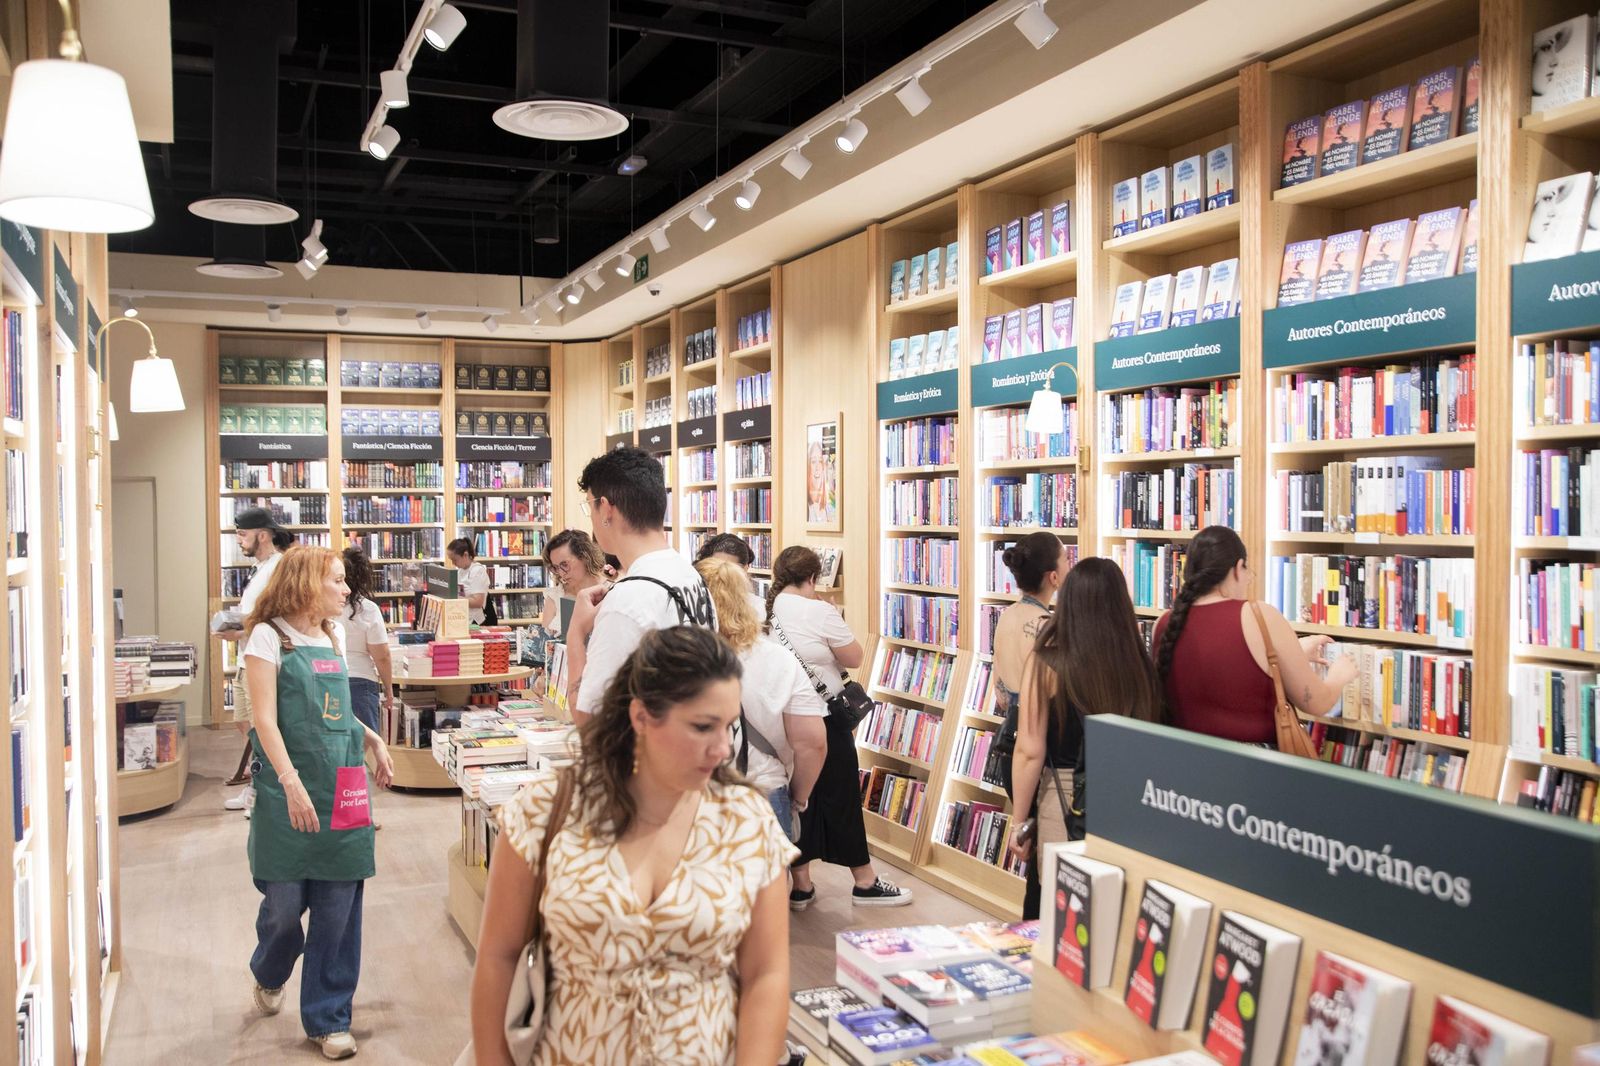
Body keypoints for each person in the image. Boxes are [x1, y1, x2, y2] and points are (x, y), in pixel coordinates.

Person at [470, 626, 794, 1066]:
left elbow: (766, 975)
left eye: (730, 726)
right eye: (703, 726)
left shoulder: (746, 820)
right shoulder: (548, 808)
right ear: (641, 716)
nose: (723, 749)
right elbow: (497, 956)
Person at [241, 546, 394, 1060]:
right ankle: (269, 968)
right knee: (284, 908)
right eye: (336, 581)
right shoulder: (269, 638)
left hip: (343, 786)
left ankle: (329, 1018)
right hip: (288, 788)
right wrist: (290, 781)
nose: (346, 590)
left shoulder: (334, 634)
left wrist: (370, 737)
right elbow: (265, 719)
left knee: (338, 911)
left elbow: (335, 709)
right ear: (306, 583)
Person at [1006, 557, 1164, 919]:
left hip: (1064, 800)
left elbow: (1030, 751)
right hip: (1129, 799)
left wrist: (1019, 822)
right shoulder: (1140, 666)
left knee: (1054, 911)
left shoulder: (1047, 663)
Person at [768, 547, 910, 908]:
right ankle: (865, 881)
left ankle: (801, 885)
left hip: (783, 716)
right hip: (823, 719)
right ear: (813, 578)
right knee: (843, 795)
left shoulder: (767, 608)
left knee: (800, 800)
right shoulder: (820, 611)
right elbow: (856, 657)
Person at [1153, 525, 1357, 743]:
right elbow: (1316, 702)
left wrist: (1295, 654)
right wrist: (1339, 675)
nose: (1250, 579)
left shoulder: (1164, 623)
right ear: (1237, 568)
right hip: (1251, 769)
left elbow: (1225, 666)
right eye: (1248, 571)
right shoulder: (1258, 615)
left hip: (1183, 766)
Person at [567, 447, 714, 724]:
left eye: (590, 505)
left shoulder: (627, 601)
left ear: (606, 509)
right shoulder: (688, 574)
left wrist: (576, 633)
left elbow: (589, 722)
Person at [696, 557, 826, 840]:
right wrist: (798, 798)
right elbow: (813, 743)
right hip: (765, 788)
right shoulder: (778, 659)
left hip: (695, 793)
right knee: (769, 883)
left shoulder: (677, 655)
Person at [218, 507, 293, 812]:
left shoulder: (278, 568)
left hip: (259, 660)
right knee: (246, 726)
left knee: (261, 728)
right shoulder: (259, 568)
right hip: (246, 658)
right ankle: (256, 786)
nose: (239, 540)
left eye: (242, 534)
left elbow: (278, 613)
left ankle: (263, 794)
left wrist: (242, 628)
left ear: (262, 535)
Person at [990, 533, 1071, 792]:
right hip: (1040, 747)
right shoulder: (1047, 628)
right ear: (1054, 577)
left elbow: (1001, 696)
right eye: (1067, 559)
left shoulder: (1005, 617)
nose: (1071, 564)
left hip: (1009, 740)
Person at [341, 546, 392, 830]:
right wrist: (389, 689)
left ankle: (341, 811)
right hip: (361, 683)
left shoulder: (321, 606)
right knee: (359, 752)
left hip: (330, 681)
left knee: (338, 752)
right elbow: (381, 654)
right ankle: (358, 814)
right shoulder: (368, 610)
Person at [539, 529, 607, 638]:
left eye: (564, 564)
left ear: (585, 557)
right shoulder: (555, 595)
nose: (561, 573)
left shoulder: (611, 589)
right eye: (556, 567)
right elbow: (544, 646)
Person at [695, 532, 765, 618]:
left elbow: (779, 630)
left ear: (744, 569)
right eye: (715, 567)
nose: (721, 574)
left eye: (728, 568)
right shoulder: (695, 603)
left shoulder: (760, 607)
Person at [446, 537, 492, 625]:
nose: (453, 563)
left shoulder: (478, 571)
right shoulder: (460, 571)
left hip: (474, 621)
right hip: (462, 617)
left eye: (455, 560)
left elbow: (478, 602)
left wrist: (455, 599)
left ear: (465, 555)